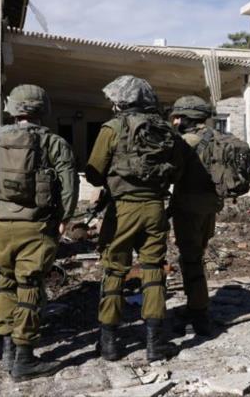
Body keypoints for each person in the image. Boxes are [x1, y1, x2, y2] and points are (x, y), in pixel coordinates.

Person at [0, 85, 77, 382]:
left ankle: (7, 350)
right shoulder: (54, 142)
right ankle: (25, 358)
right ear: (42, 109)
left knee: (4, 285)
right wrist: (65, 218)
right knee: (29, 287)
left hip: (1, 226)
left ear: (13, 109)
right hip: (37, 224)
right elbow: (69, 184)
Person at [85, 75, 185, 362]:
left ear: (122, 101)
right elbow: (177, 171)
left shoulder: (113, 127)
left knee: (115, 269)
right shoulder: (166, 129)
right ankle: (155, 343)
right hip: (154, 207)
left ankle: (110, 343)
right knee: (153, 269)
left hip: (123, 209)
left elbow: (93, 172)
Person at [169, 95, 222, 336]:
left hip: (188, 206)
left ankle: (199, 314)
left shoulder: (186, 141)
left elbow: (171, 172)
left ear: (186, 117)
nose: (175, 120)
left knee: (190, 259)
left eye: (177, 116)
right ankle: (196, 305)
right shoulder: (215, 137)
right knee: (196, 254)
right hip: (210, 205)